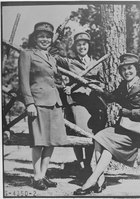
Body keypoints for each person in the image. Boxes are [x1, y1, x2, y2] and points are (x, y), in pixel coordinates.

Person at [73, 53, 140, 195]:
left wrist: (129, 112)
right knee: (98, 137)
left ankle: (91, 181)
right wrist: (95, 88)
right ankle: (100, 181)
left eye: (130, 68)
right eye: (124, 69)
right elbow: (112, 96)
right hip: (122, 127)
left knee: (107, 147)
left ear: (137, 68)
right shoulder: (123, 85)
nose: (127, 72)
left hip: (136, 132)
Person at [18, 22, 84, 190]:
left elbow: (54, 81)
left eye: (48, 37)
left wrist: (65, 88)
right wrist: (29, 103)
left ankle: (44, 174)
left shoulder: (52, 58)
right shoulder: (27, 54)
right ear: (35, 38)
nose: (45, 39)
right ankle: (36, 176)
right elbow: (23, 81)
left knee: (52, 141)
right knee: (38, 140)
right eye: (41, 36)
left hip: (55, 103)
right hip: (38, 102)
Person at [63, 32, 107, 177]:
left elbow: (102, 82)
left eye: (84, 44)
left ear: (89, 46)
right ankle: (81, 163)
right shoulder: (70, 62)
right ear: (75, 47)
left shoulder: (97, 62)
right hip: (77, 102)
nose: (82, 47)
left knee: (91, 133)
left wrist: (94, 84)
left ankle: (87, 164)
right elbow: (53, 56)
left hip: (93, 102)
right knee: (80, 131)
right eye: (79, 45)